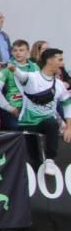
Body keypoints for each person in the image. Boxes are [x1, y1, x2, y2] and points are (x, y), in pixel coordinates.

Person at [13, 48, 71, 177]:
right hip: (27, 123)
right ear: (49, 61)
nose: (62, 63)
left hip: (46, 122)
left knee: (52, 123)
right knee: (33, 158)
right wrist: (13, 69)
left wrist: (69, 127)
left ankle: (50, 160)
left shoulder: (59, 85)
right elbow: (21, 76)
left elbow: (68, 104)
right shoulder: (33, 77)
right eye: (59, 60)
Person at [0, 39, 36, 131]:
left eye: (21, 50)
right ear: (11, 52)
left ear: (28, 52)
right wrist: (8, 107)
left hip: (33, 109)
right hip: (15, 108)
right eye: (15, 50)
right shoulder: (6, 67)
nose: (18, 53)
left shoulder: (35, 67)